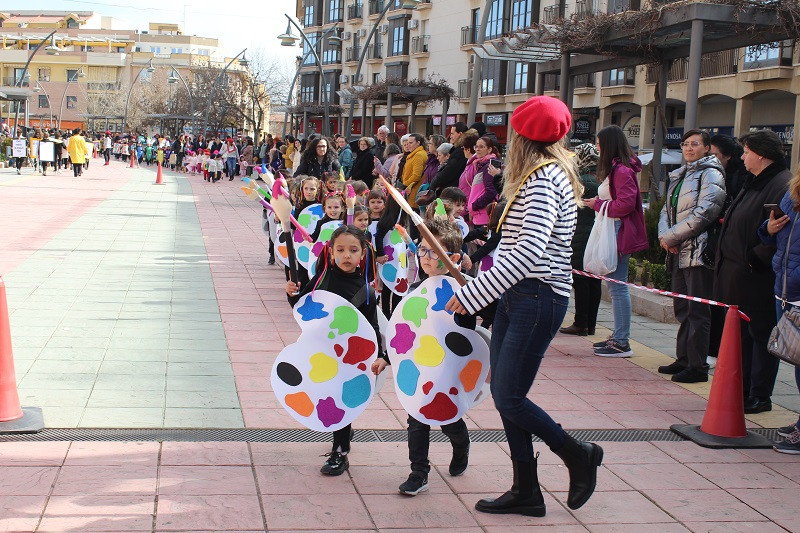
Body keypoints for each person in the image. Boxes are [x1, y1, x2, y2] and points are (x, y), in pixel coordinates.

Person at [446, 95, 603, 517]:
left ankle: (576, 453)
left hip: (537, 296)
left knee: (509, 396)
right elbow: (516, 244)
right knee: (507, 394)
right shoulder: (541, 175)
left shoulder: (545, 178)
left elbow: (530, 249)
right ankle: (526, 490)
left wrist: (475, 294)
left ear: (522, 136)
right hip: (522, 295)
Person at [373, 218, 471, 496]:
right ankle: (419, 472)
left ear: (452, 257)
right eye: (423, 250)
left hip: (449, 368)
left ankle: (461, 442)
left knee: (447, 416)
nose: (426, 258)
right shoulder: (414, 292)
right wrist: (386, 358)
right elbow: (403, 332)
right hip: (419, 369)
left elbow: (474, 332)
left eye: (434, 252)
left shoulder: (465, 291)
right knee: (417, 416)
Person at [285, 225, 384, 475]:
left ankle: (340, 451)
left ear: (363, 254)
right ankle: (342, 430)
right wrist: (292, 294)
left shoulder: (367, 291)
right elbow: (301, 309)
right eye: (340, 250)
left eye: (353, 250)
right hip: (321, 353)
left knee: (342, 398)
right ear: (330, 253)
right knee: (324, 391)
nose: (346, 255)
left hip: (349, 358)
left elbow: (372, 326)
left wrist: (380, 355)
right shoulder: (321, 281)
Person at [715, 130, 791, 414]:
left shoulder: (780, 185)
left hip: (757, 278)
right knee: (743, 336)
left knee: (761, 337)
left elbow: (780, 235)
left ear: (760, 154)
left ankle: (759, 394)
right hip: (740, 276)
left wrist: (753, 260)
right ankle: (743, 388)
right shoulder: (756, 181)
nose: (743, 156)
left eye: (746, 151)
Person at [656, 129, 726, 383]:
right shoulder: (681, 174)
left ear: (707, 148)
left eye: (695, 144)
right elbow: (666, 210)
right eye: (685, 144)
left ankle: (698, 366)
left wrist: (672, 236)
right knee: (682, 308)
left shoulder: (711, 174)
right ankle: (683, 358)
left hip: (698, 252)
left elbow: (706, 211)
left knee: (698, 311)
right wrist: (666, 237)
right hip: (677, 250)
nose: (688, 148)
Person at [584, 125, 648, 357]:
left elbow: (626, 204)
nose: (598, 149)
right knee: (615, 285)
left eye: (600, 145)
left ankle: (621, 340)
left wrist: (598, 205)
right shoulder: (620, 169)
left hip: (618, 231)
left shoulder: (620, 171)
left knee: (617, 287)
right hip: (614, 229)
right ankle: (619, 337)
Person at [759, 169, 800, 453]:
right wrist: (768, 229)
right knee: (798, 363)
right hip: (785, 291)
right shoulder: (792, 192)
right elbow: (771, 233)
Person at [560, 143, 601, 336]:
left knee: (581, 280)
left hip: (580, 237)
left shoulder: (581, 182)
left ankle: (581, 323)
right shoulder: (599, 180)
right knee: (594, 281)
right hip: (595, 237)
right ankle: (590, 324)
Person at [401, 133, 428, 211]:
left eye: (411, 143)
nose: (408, 145)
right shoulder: (415, 154)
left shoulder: (418, 155)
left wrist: (405, 184)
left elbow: (416, 175)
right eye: (407, 142)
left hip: (414, 191)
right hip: (412, 190)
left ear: (418, 143)